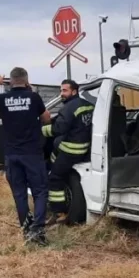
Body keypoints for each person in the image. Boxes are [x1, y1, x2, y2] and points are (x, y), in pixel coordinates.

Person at [0, 68, 52, 244]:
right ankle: (37, 230)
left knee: (19, 194)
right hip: (32, 154)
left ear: (10, 82)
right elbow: (46, 118)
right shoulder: (34, 97)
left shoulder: (2, 99)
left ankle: (26, 229)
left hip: (12, 155)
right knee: (39, 192)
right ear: (26, 80)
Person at [42, 79, 94, 223]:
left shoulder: (68, 108)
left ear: (74, 91)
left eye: (64, 90)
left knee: (54, 178)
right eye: (61, 90)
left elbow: (59, 128)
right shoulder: (88, 105)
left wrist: (40, 131)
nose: (61, 94)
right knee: (54, 154)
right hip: (85, 147)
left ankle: (58, 212)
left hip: (72, 150)